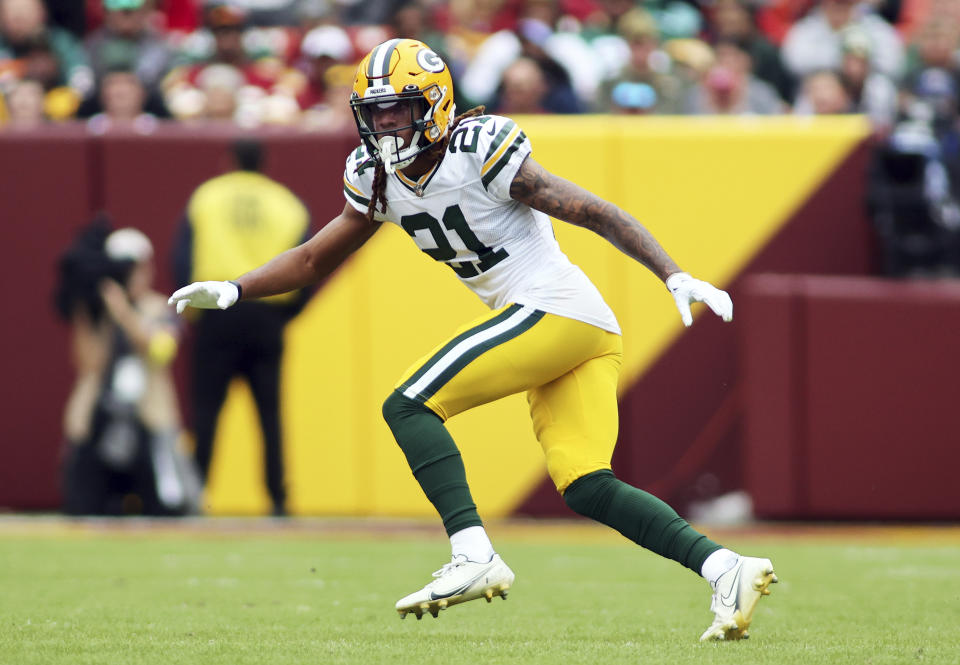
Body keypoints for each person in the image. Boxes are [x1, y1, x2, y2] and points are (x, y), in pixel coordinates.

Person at [169, 38, 777, 641]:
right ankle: (727, 569)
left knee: (408, 405)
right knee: (588, 484)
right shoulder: (376, 175)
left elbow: (593, 211)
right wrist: (234, 288)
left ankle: (472, 553)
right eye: (373, 111)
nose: (383, 124)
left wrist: (673, 272)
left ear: (433, 104)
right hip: (574, 328)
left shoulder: (478, 147)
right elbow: (310, 259)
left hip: (554, 310)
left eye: (397, 109)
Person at [172, 138, 311, 517]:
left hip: (217, 313)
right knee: (269, 414)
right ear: (265, 163)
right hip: (266, 315)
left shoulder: (207, 195)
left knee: (205, 411)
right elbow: (308, 266)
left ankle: (195, 495)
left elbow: (183, 257)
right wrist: (283, 315)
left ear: (228, 160)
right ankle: (278, 500)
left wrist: (193, 312)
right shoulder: (286, 202)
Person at [56, 220, 199, 516]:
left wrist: (123, 313)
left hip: (150, 422)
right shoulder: (100, 311)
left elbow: (162, 351)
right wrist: (85, 308)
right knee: (83, 506)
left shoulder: (163, 307)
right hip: (100, 420)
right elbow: (88, 363)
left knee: (168, 508)